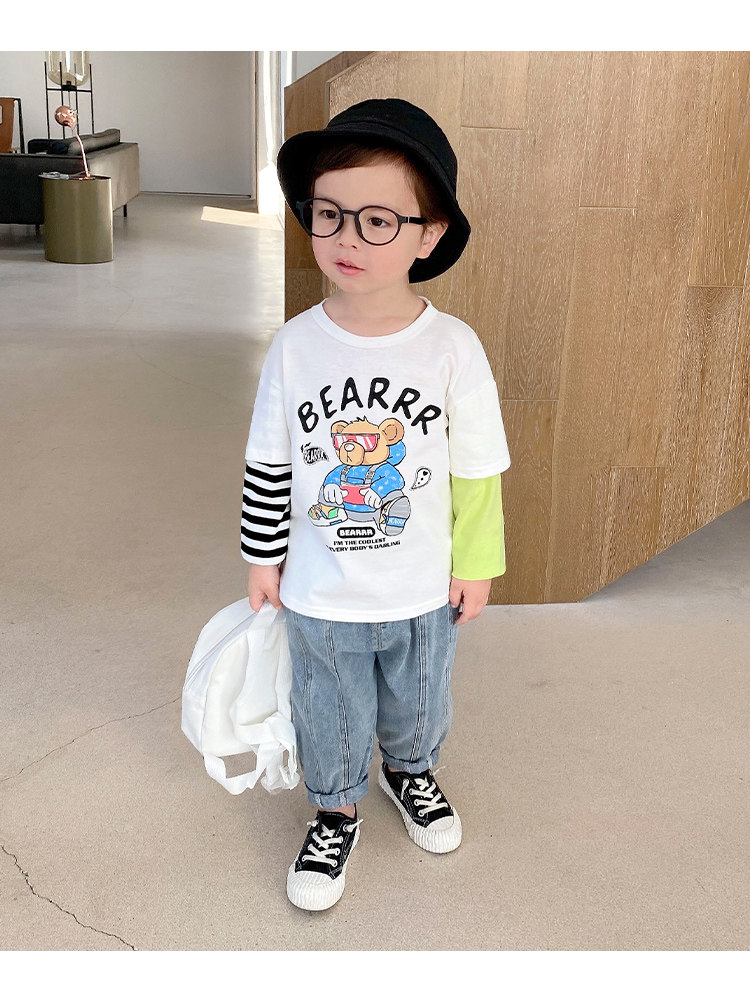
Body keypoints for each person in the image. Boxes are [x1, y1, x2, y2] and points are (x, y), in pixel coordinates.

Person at [241, 98, 510, 912]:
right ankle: (335, 810)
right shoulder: (295, 344)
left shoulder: (452, 347)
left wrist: (477, 563)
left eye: (378, 220)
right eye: (329, 213)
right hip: (320, 587)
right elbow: (270, 460)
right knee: (327, 704)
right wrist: (263, 555)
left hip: (422, 586)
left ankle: (409, 770)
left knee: (420, 696)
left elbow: (477, 470)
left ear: (430, 235)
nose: (347, 238)